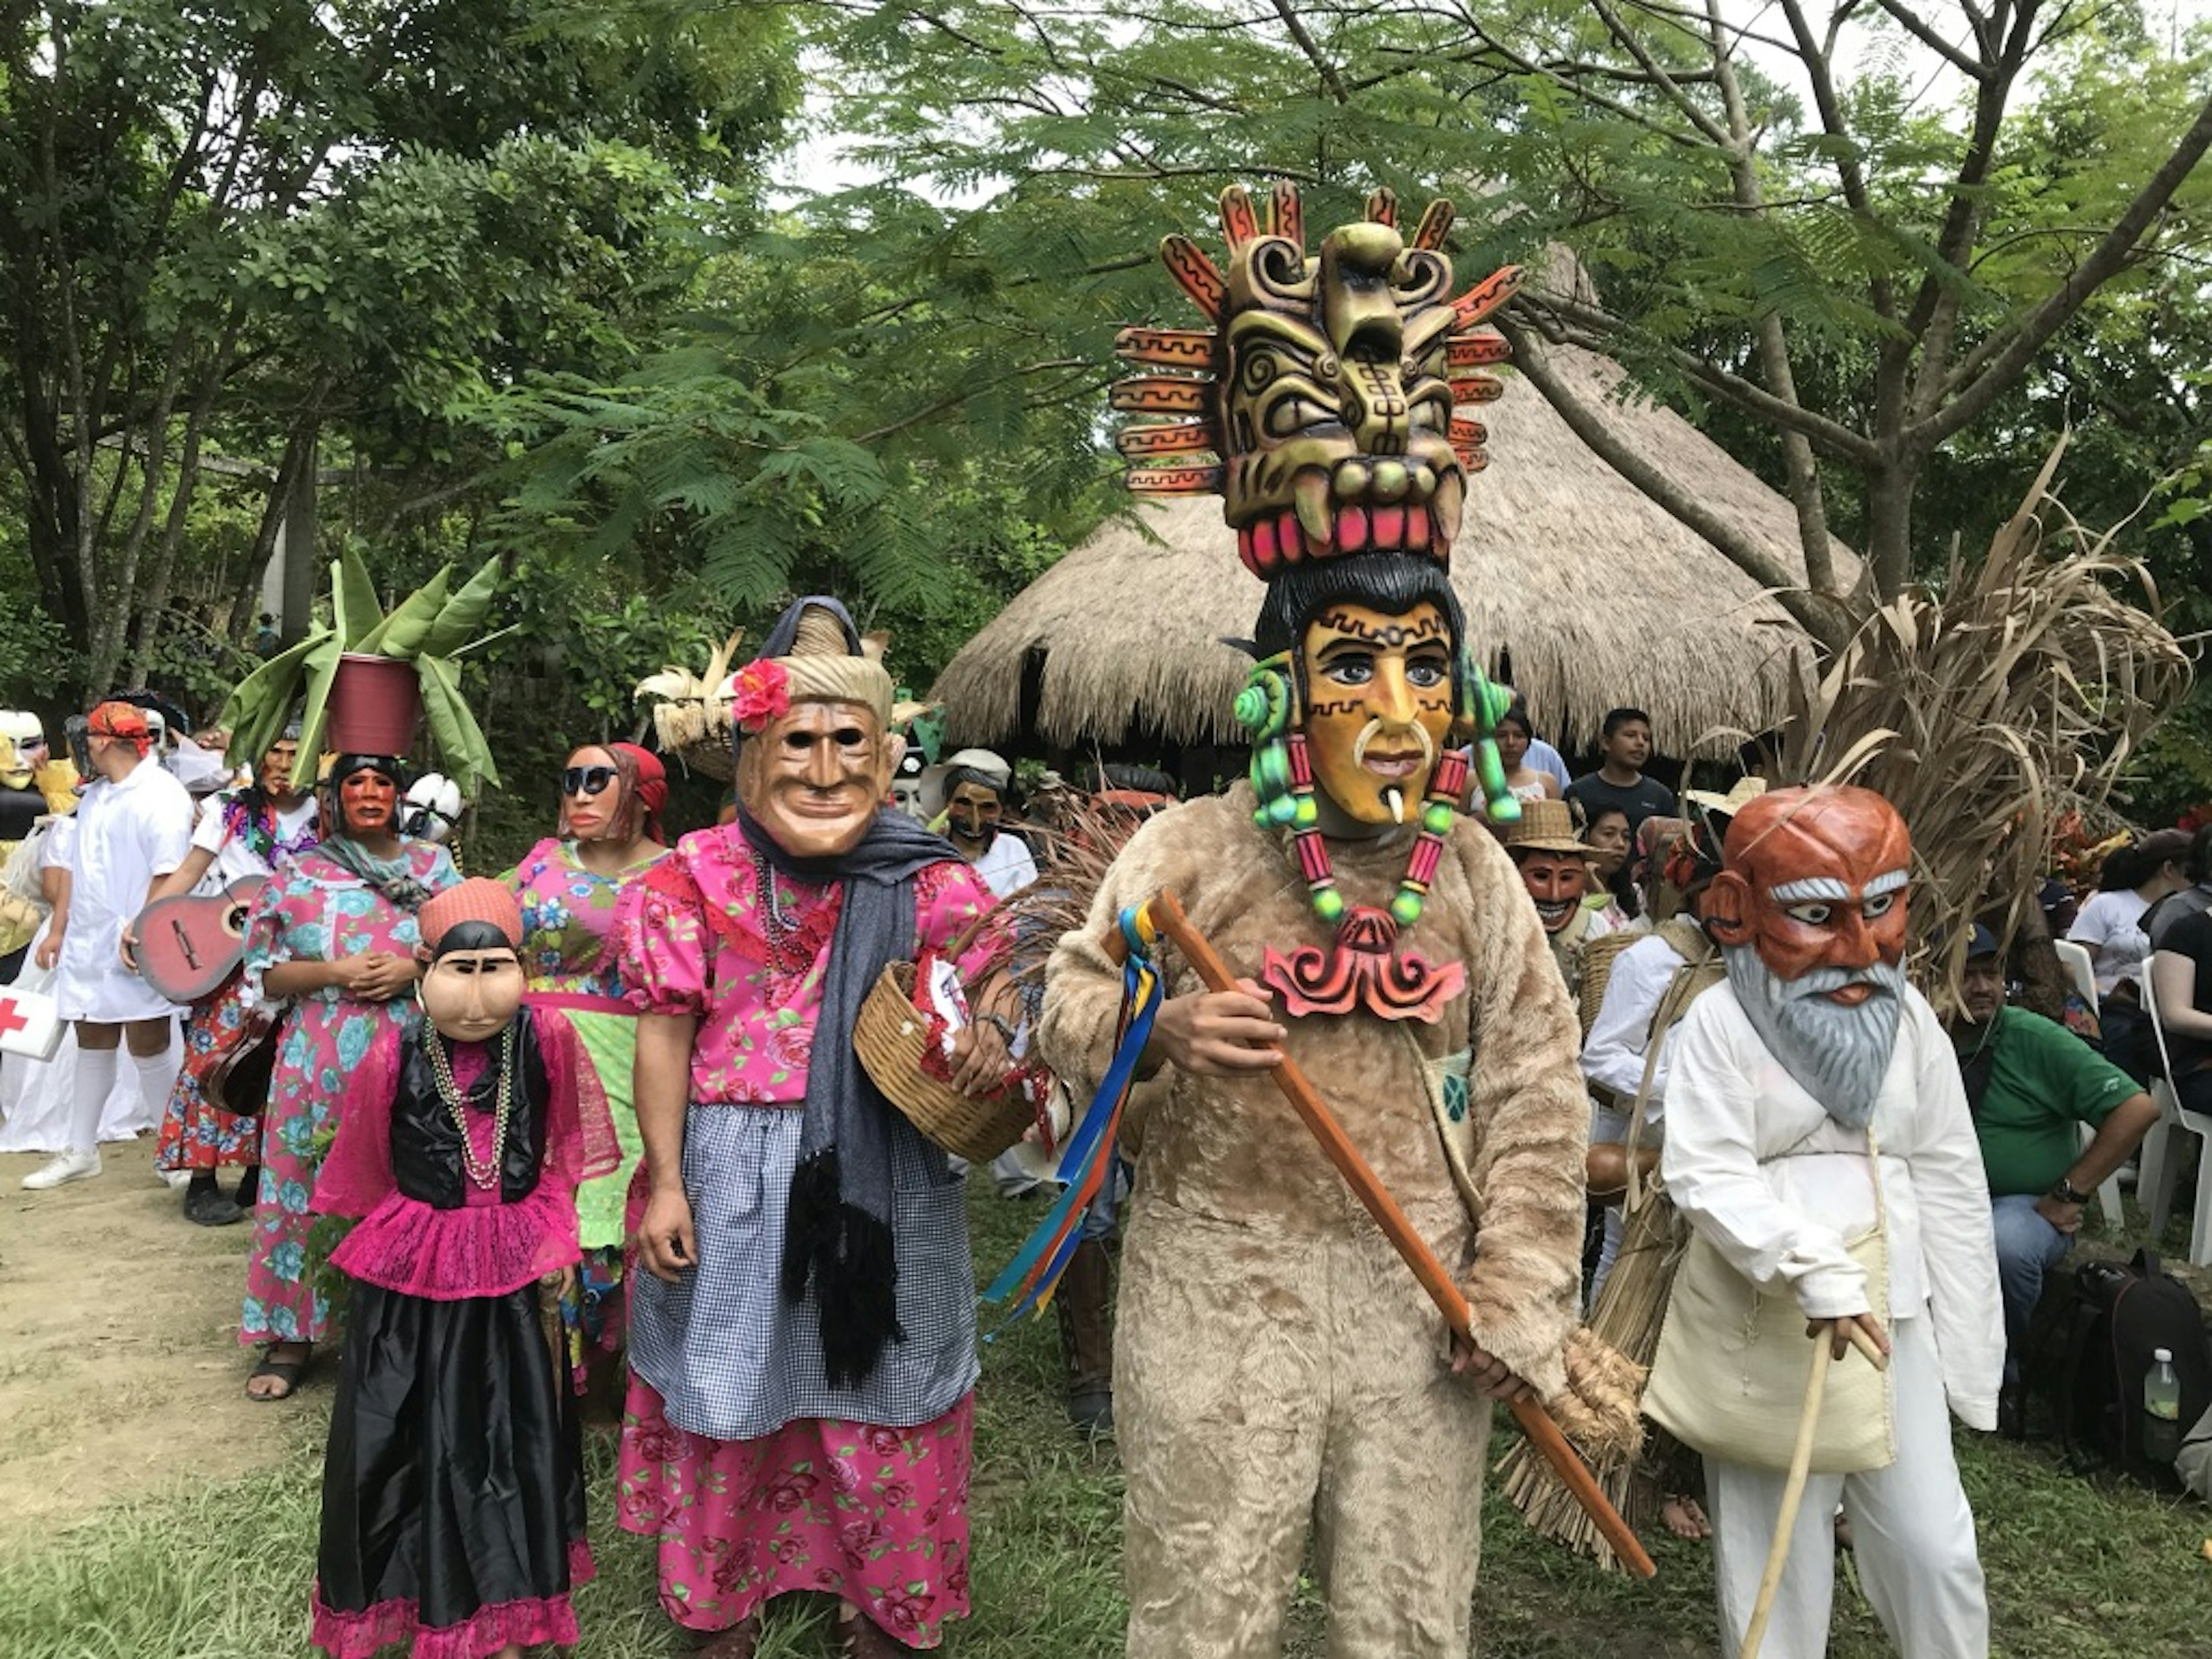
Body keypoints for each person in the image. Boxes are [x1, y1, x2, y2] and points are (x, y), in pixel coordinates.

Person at [1041, 187, 1619, 1659]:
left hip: (1418, 1301)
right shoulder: (1185, 849)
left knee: (1406, 1623)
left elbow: (1538, 1095)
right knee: (1199, 1615)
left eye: (1425, 668)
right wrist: (1154, 1027)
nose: (1397, 708)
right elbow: (1052, 1013)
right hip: (1208, 1284)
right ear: (1282, 687)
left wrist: (1519, 1289)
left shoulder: (1478, 874)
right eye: (1353, 665)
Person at [618, 597, 1014, 1658]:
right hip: (728, 1171)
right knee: (727, 1382)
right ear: (752, 751)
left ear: (886, 758)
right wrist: (665, 1181)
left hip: (883, 1171)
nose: (826, 767)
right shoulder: (687, 877)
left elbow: (1003, 967)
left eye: (851, 742)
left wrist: (999, 1027)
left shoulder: (930, 875)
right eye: (799, 739)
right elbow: (665, 1034)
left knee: (888, 1382)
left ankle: (879, 1604)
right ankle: (721, 1602)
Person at [1660, 786, 1999, 1659]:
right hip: (1766, 1317)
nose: (1860, 947)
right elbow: (1703, 1167)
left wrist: (1970, 1341)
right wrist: (1809, 1264)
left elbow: (1950, 1169)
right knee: (1776, 1549)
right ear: (1735, 909)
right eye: (1817, 914)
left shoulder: (1912, 1015)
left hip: (1898, 1316)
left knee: (1933, 1542)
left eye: (1882, 907)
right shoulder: (1719, 1024)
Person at [308, 880, 618, 1659]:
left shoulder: (548, 1043)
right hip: (418, 1277)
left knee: (508, 1442)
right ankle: (418, 1599)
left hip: (514, 1271)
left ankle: (508, 1609)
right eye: (460, 969)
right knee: (411, 1439)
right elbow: (367, 1174)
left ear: (523, 967)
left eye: (495, 968)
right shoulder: (393, 1053)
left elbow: (565, 1151)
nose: (478, 995)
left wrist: (555, 1243)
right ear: (422, 967)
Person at [238, 751, 459, 1399]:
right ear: (333, 798)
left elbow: (469, 948)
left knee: (408, 1182)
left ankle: (405, 1333)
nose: (368, 794)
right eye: (354, 783)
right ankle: (291, 1335)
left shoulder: (434, 868)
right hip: (319, 1050)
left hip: (412, 1044)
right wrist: (335, 973)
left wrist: (411, 971)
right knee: (301, 1182)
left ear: (398, 795)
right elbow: (266, 971)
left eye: (381, 783)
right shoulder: (299, 872)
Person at [1949, 924, 2156, 1434]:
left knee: (2008, 1243)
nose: (1982, 987)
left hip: (2019, 1204)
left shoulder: (2029, 1035)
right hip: (1940, 1200)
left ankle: (2001, 1382)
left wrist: (2071, 1192)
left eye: (1991, 973)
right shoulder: (1919, 1036)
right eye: (1966, 975)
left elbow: (2137, 1108)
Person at [503, 741, 668, 1376]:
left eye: (599, 779)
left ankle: (606, 1378)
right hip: (525, 1053)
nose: (579, 793)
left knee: (610, 1200)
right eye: (570, 779)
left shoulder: (679, 875)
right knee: (531, 1191)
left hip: (624, 1056)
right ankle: (534, 1368)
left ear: (642, 792)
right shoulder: (542, 861)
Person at [144, 726, 320, 1224]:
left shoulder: (326, 816)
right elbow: (186, 873)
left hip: (297, 960)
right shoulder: (229, 810)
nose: (284, 765)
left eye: (294, 755)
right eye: (275, 754)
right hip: (229, 960)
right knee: (214, 1058)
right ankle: (201, 1180)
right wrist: (145, 925)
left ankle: (259, 1173)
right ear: (257, 759)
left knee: (280, 1061)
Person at [21, 701, 194, 1192]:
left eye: (90, 738)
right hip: (89, 938)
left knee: (148, 1038)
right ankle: (80, 1149)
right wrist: (61, 927)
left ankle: (173, 1151)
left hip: (136, 934)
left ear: (105, 741)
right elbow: (76, 866)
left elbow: (170, 871)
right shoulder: (97, 795)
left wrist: (142, 927)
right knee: (92, 1035)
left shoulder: (161, 795)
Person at [2070, 827, 2190, 1078]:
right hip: (2114, 1007)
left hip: (2166, 1009)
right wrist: (2101, 994)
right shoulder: (2108, 905)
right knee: (2127, 1037)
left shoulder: (2187, 914)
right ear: (2169, 869)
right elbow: (2073, 963)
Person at [1502, 796, 1625, 996]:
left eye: (1567, 878)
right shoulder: (1492, 928)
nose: (1555, 895)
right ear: (1513, 874)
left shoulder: (1595, 928)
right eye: (1541, 877)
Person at [922, 747, 1037, 900]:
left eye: (987, 807)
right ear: (947, 805)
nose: (975, 818)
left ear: (1000, 810)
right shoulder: (929, 854)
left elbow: (1031, 909)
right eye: (964, 804)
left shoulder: (1013, 849)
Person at [1563, 707, 1676, 839]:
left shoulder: (1660, 796)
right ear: (1606, 742)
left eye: (1646, 738)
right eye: (1630, 735)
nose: (1640, 743)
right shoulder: (1579, 792)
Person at [1493, 702, 1559, 804]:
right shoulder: (1472, 782)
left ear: (1529, 742)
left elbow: (1558, 818)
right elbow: (1460, 819)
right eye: (1502, 736)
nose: (1510, 743)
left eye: (1519, 736)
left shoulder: (1546, 782)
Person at [1581, 801, 1637, 920]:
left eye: (1626, 837)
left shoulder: (1634, 893)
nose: (1621, 844)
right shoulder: (1566, 892)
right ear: (1585, 839)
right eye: (1609, 834)